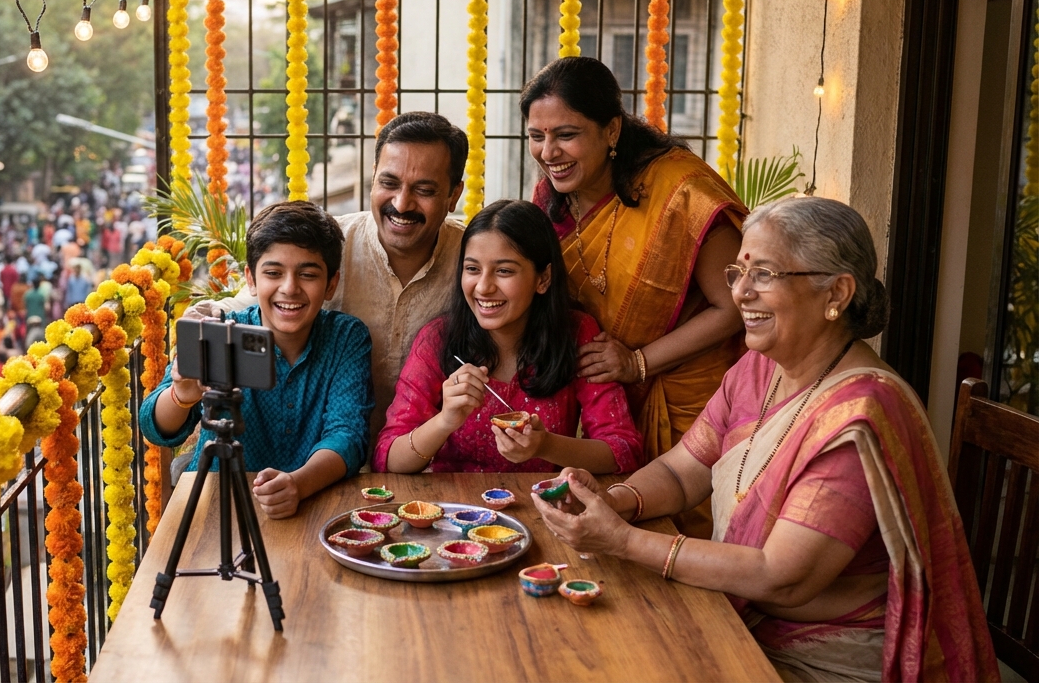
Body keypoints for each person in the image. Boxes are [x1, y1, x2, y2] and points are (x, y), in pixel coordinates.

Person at [533, 197, 998, 680]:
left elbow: (781, 577)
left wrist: (624, 541)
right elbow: (681, 471)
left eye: (765, 275)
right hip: (738, 617)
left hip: (822, 656)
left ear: (837, 292)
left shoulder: (861, 417)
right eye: (738, 272)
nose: (740, 293)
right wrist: (613, 502)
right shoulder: (758, 369)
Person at [522, 57, 746, 535]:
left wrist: (638, 363)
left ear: (611, 130)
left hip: (695, 402)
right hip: (608, 405)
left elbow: (735, 306)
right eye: (536, 136)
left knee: (693, 539)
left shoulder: (678, 191)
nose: (548, 151)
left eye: (566, 134)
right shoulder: (552, 198)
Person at [195, 112, 469, 444]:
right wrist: (206, 318)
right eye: (389, 183)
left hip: (436, 458)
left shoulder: (473, 259)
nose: (401, 203)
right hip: (325, 456)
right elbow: (254, 301)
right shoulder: (327, 246)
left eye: (424, 190)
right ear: (373, 177)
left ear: (454, 195)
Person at [141, 201, 374, 520]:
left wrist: (298, 484)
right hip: (217, 505)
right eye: (273, 273)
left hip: (315, 505)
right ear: (251, 279)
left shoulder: (346, 337)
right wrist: (182, 395)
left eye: (307, 274)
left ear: (331, 284)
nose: (289, 288)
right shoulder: (221, 332)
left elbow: (348, 436)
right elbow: (154, 427)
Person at [375, 200, 641, 474]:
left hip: (540, 501)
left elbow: (623, 450)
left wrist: (545, 445)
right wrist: (444, 421)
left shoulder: (576, 333)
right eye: (472, 269)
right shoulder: (439, 338)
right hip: (454, 501)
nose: (483, 287)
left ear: (543, 279)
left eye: (504, 271)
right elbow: (387, 459)